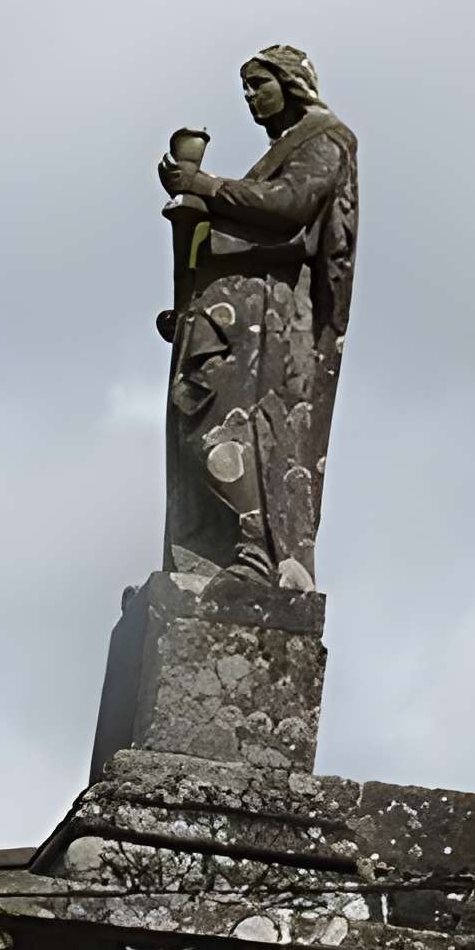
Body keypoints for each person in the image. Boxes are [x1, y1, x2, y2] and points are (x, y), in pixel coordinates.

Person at [154, 45, 358, 591]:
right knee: (196, 419)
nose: (249, 96)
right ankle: (214, 553)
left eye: (258, 84)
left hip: (264, 317)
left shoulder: (326, 139)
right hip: (223, 311)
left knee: (228, 424)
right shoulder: (281, 151)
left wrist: (205, 187)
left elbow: (291, 205)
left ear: (291, 85)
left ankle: (257, 553)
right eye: (244, 87)